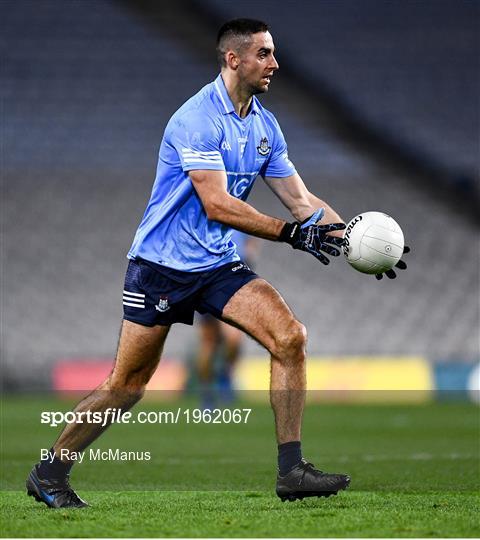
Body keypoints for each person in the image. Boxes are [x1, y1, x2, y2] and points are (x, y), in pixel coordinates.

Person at [26, 18, 408, 508]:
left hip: (218, 266)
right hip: (160, 265)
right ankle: (49, 471)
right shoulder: (196, 119)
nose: (275, 63)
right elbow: (218, 205)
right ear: (234, 59)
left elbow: (299, 199)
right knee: (129, 386)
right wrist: (292, 235)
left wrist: (355, 240)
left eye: (273, 53)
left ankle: (291, 470)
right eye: (265, 54)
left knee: (290, 337)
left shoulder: (265, 126)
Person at [195, 231, 261, 409]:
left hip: (232, 283)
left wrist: (247, 261)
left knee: (234, 339)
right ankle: (207, 394)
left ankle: (224, 375)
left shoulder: (240, 214)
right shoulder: (207, 215)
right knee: (209, 343)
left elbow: (251, 246)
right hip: (207, 282)